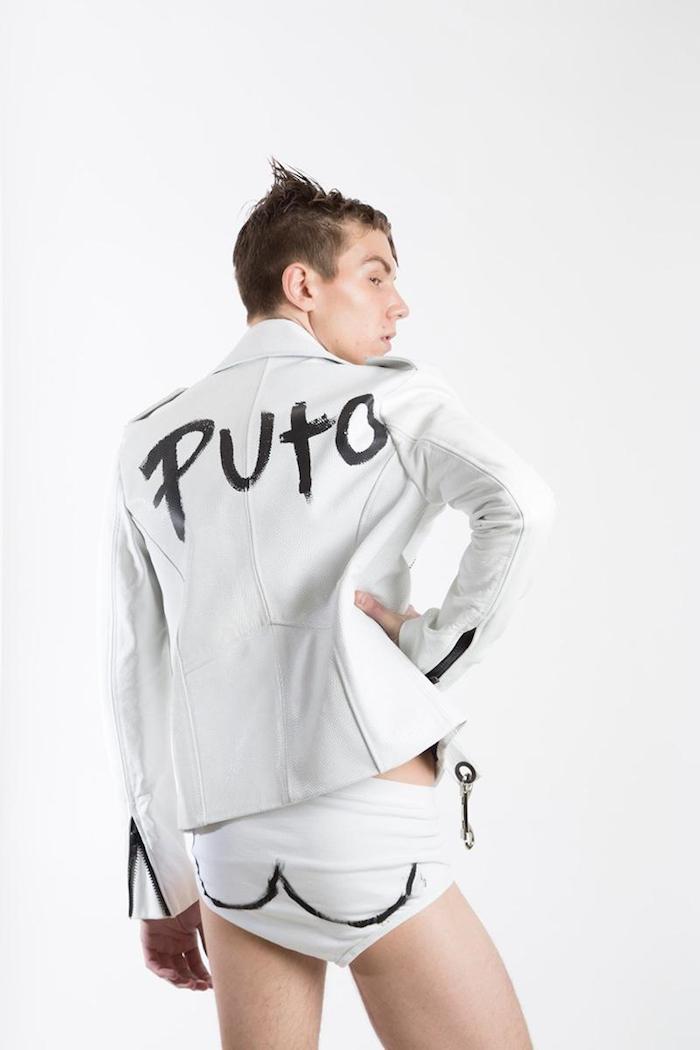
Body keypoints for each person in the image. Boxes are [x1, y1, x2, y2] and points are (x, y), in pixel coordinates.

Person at [99, 157, 556, 1048]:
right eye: (376, 275)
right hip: (367, 825)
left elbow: (133, 673)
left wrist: (160, 886)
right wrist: (427, 651)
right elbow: (521, 504)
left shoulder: (145, 441)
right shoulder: (395, 400)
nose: (399, 305)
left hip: (231, 848)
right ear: (303, 285)